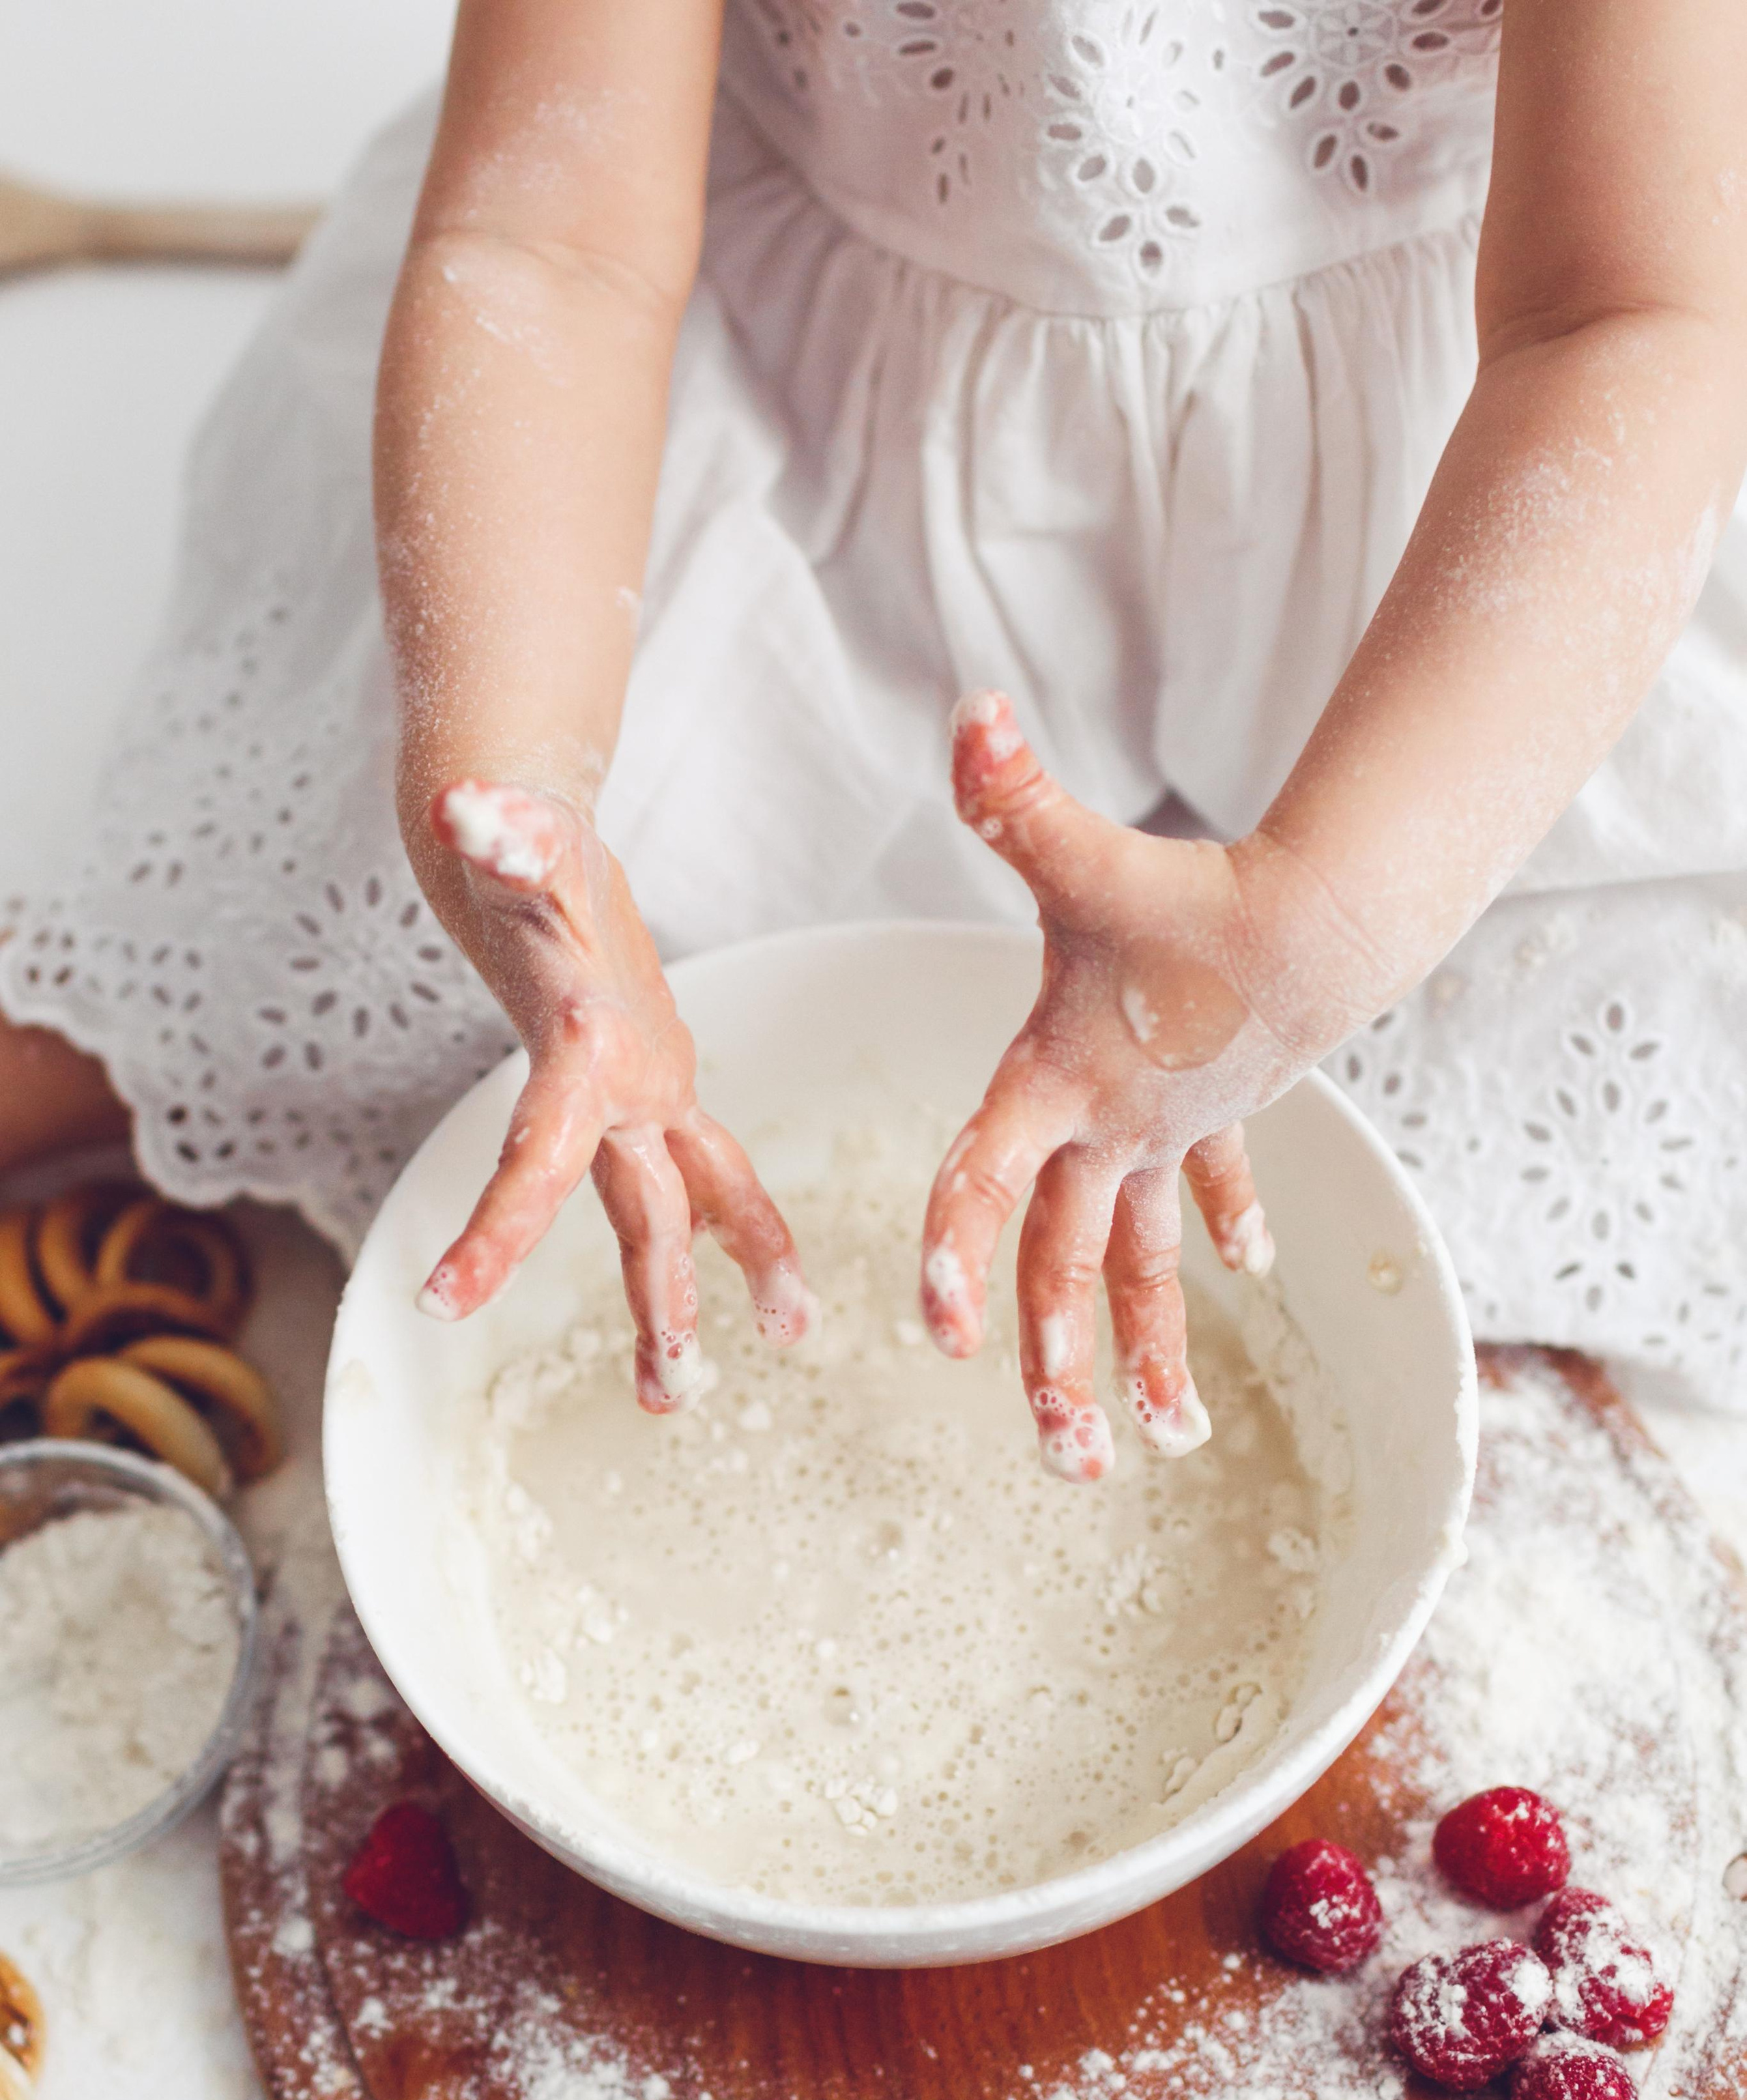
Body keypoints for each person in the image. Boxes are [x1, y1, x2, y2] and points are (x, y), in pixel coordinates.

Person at [5, 0, 1746, 1479]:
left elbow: (1629, 319)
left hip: (1463, 502)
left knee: (1596, 1036)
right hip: (783, 417)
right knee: (392, 937)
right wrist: (518, 763)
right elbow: (555, 245)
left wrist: (1320, 917)